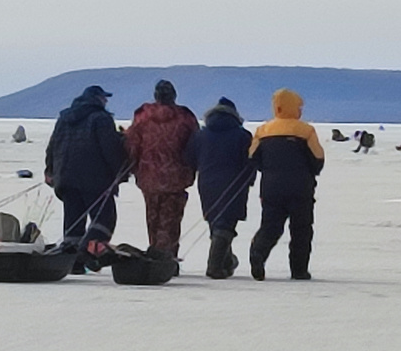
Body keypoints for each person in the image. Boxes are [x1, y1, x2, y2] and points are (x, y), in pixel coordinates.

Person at [45, 85, 127, 268]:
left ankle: (72, 261)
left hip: (65, 177)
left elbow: (53, 145)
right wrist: (120, 171)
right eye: (104, 98)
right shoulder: (101, 118)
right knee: (104, 218)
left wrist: (50, 170)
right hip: (95, 179)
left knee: (73, 221)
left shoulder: (64, 118)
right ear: (98, 99)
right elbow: (110, 149)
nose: (106, 101)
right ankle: (86, 253)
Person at [249, 88, 324, 281]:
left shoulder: (263, 130)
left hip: (271, 188)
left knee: (271, 226)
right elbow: (318, 159)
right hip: (301, 189)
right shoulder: (306, 130)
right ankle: (299, 270)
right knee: (301, 229)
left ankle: (258, 252)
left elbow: (252, 157)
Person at [125, 80, 199, 260]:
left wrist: (133, 167)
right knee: (171, 220)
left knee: (153, 218)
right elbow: (195, 145)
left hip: (148, 176)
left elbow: (132, 145)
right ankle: (166, 257)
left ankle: (156, 253)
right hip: (176, 176)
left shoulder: (142, 117)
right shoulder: (185, 117)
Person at [185, 97, 255, 279]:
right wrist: (249, 181)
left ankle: (226, 262)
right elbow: (250, 162)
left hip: (207, 182)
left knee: (215, 222)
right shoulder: (243, 135)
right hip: (234, 183)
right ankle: (215, 266)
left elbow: (189, 158)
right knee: (226, 223)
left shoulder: (200, 135)